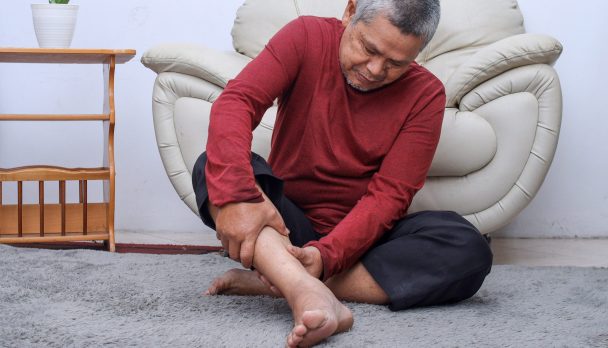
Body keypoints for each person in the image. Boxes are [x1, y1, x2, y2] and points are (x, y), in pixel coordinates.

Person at [191, 0, 493, 346]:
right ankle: (306, 290)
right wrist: (239, 196)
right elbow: (237, 102)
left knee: (469, 247)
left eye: (396, 64)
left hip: (364, 243)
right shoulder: (306, 36)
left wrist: (325, 257)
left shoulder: (426, 94)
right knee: (212, 167)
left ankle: (283, 281)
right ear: (350, 12)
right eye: (368, 48)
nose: (375, 70)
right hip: (286, 228)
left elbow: (390, 196)